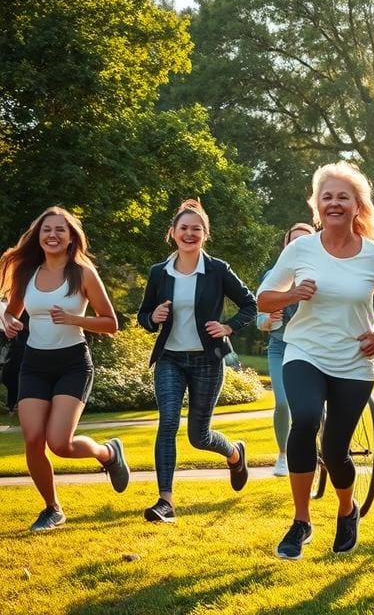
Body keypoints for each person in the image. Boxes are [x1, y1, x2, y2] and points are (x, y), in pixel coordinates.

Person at [258, 163, 374, 560]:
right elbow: (263, 298)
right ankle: (302, 521)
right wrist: (292, 296)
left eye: (343, 197)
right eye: (327, 197)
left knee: (336, 448)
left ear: (358, 206)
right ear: (316, 205)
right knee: (304, 418)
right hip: (304, 350)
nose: (334, 203)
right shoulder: (300, 249)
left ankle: (347, 509)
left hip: (355, 361)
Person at [0, 207, 129, 531]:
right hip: (34, 365)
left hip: (72, 363)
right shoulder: (27, 272)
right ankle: (52, 508)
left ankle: (108, 453)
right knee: (33, 438)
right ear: (38, 236)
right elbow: (12, 313)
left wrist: (75, 319)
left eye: (60, 230)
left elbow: (111, 323)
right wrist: (9, 322)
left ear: (71, 237)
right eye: (47, 230)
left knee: (60, 443)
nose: (53, 235)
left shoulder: (82, 273)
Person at [137, 199, 258, 524]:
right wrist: (153, 316)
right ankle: (166, 502)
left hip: (207, 360)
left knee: (199, 436)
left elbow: (251, 304)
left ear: (205, 234)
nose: (189, 234)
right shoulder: (159, 273)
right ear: (173, 233)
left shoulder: (217, 270)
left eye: (196, 229)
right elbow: (143, 316)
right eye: (183, 228)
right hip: (170, 360)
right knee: (168, 424)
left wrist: (230, 326)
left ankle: (234, 453)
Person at [256, 222, 315, 477]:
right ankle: (283, 455)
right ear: (286, 246)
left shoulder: (322, 275)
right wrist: (268, 321)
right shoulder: (273, 275)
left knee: (315, 408)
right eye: (294, 242)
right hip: (280, 345)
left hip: (312, 346)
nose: (299, 246)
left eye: (305, 241)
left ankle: (315, 455)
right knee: (282, 402)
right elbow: (260, 319)